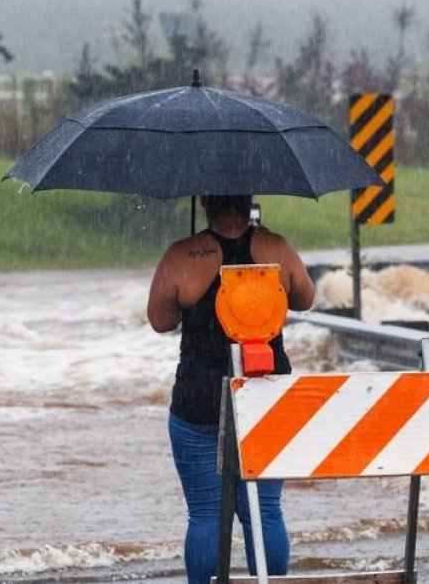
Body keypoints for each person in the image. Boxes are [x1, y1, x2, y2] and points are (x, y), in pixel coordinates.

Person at [146, 194, 315, 584]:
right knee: (265, 511)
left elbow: (160, 319)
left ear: (205, 201)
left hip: (200, 398)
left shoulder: (182, 255)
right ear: (250, 200)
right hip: (265, 394)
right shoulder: (276, 248)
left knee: (206, 513)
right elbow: (305, 298)